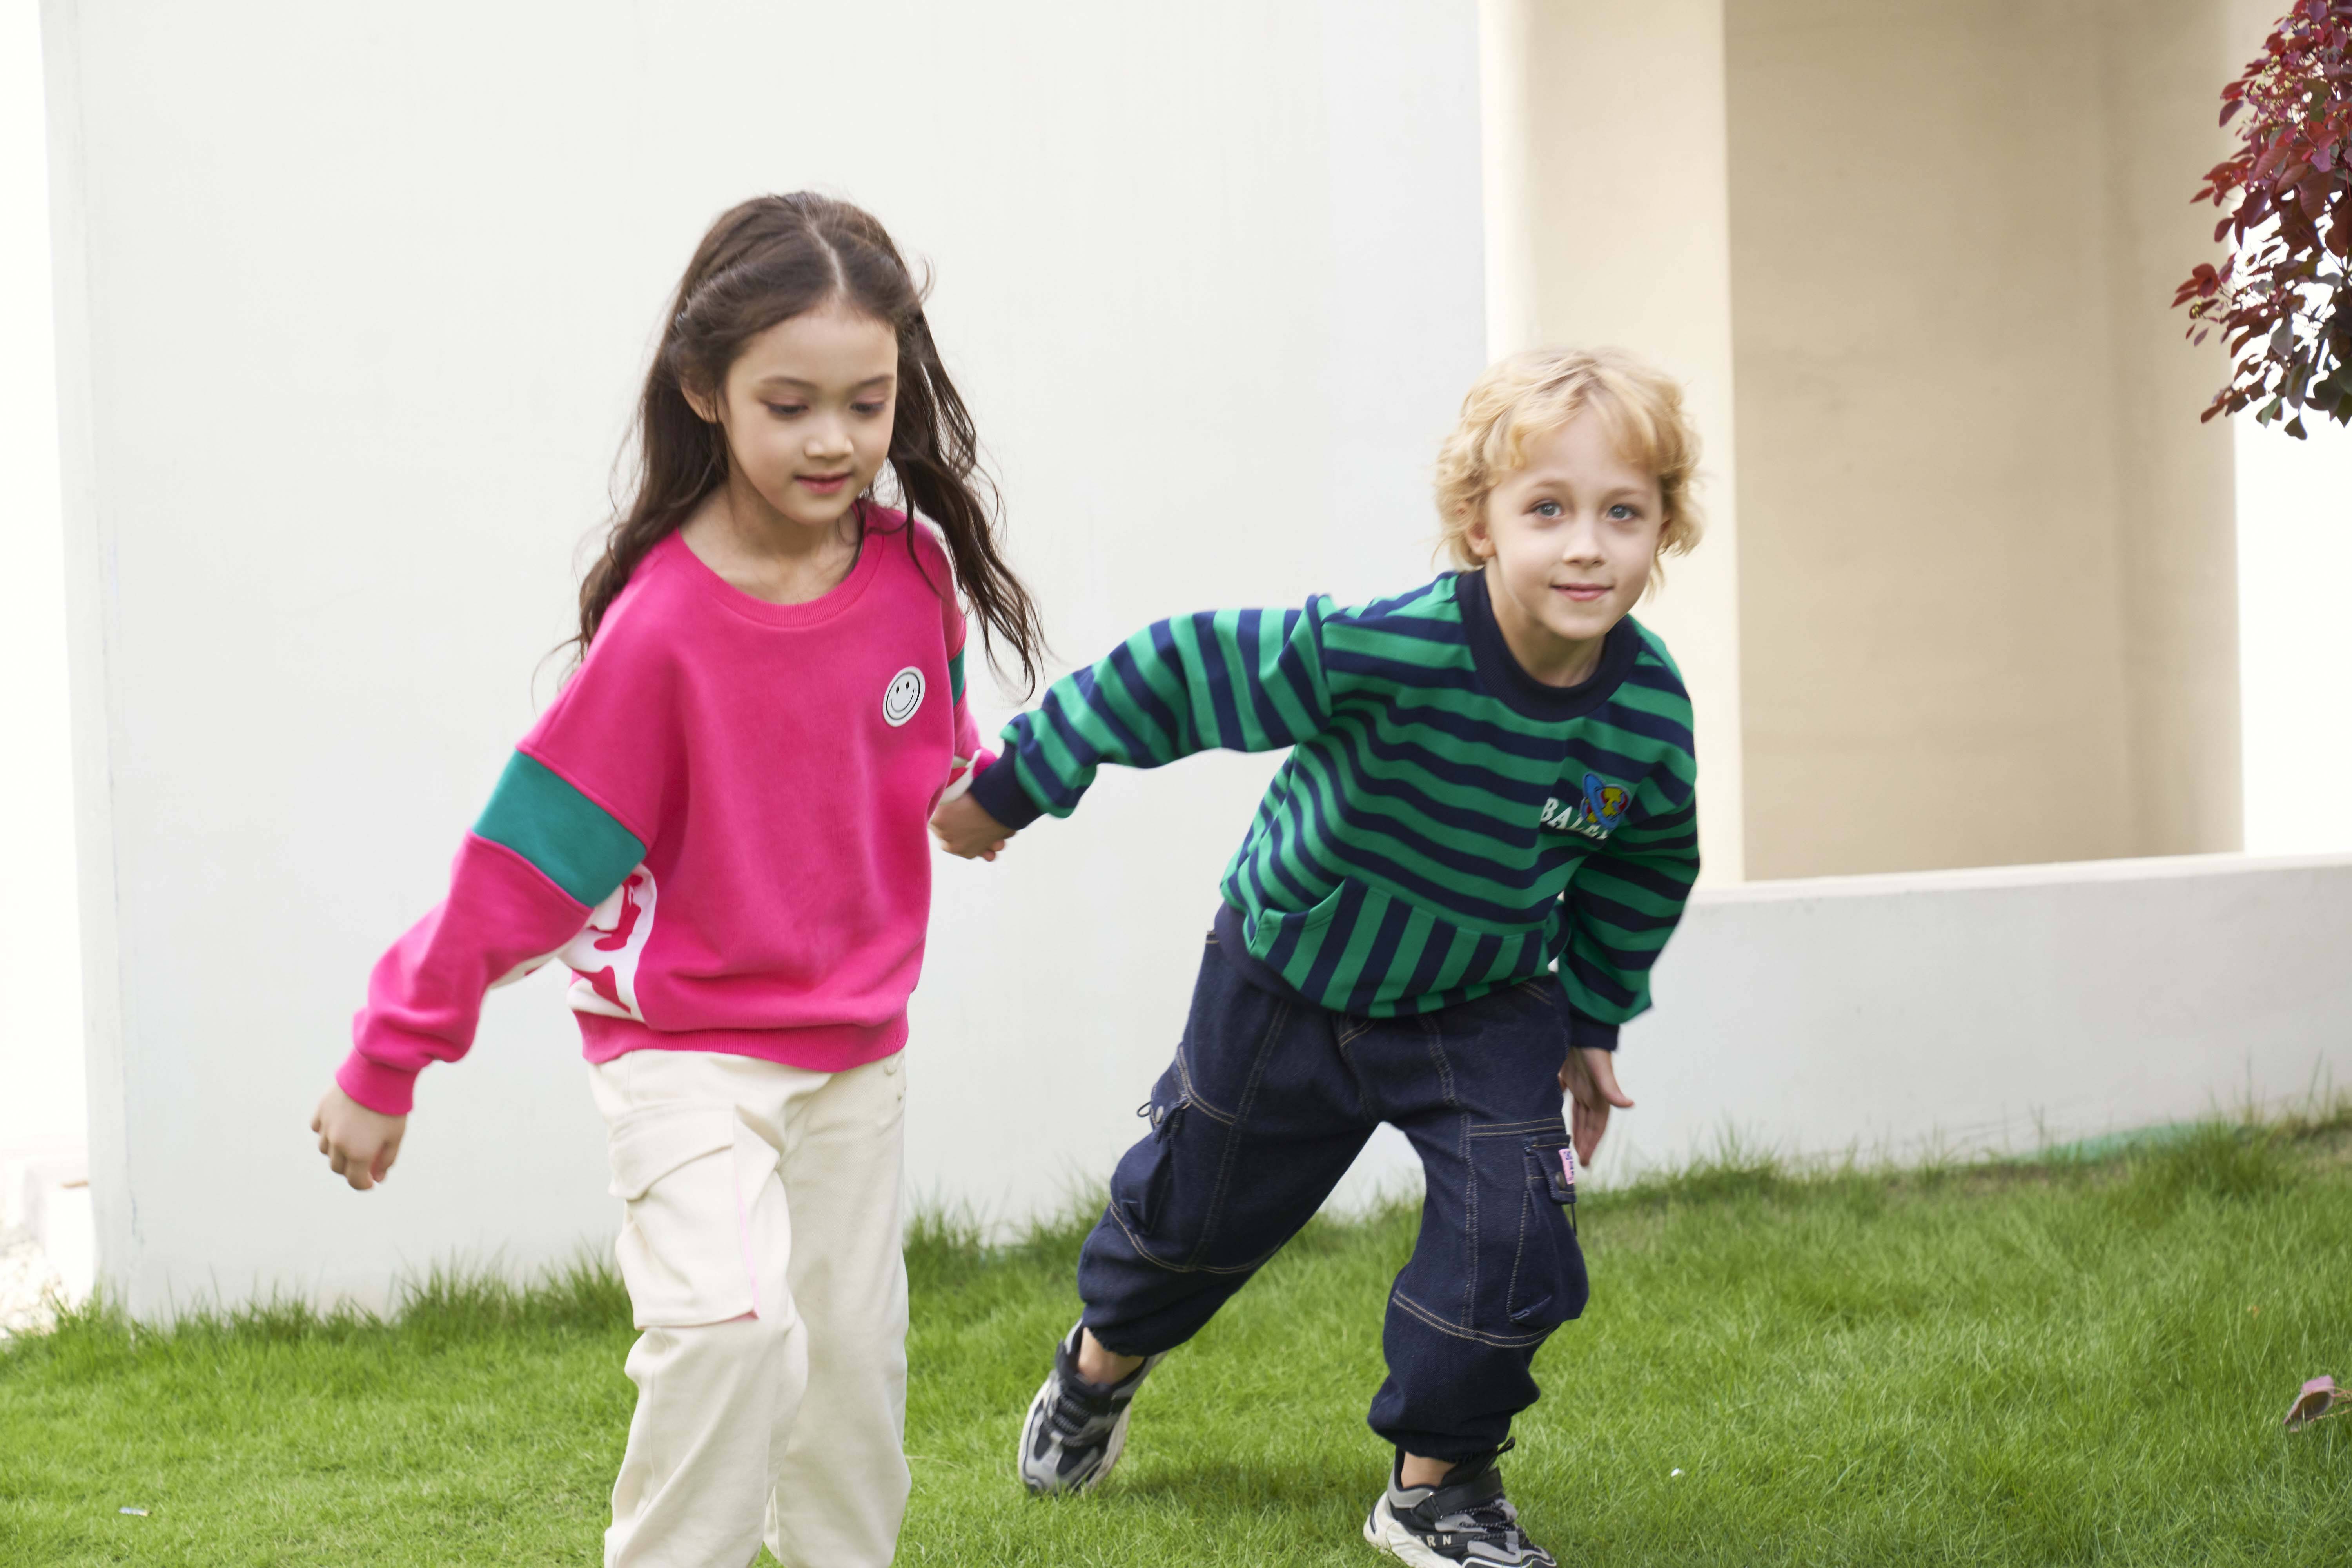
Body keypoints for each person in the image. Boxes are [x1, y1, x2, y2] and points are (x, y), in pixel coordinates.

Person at [310, 192, 1039, 1568]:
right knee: (728, 1331)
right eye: (791, 404)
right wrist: (387, 1057)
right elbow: (523, 869)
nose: (836, 439)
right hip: (685, 1050)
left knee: (847, 1385)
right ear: (707, 391)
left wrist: (980, 795)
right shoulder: (660, 633)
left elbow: (928, 744)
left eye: (867, 402)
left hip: (855, 1058)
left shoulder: (910, 571)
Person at [933, 346, 1705, 1568]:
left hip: (1482, 998)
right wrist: (1019, 783)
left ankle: (1437, 1490)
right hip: (1291, 981)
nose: (1586, 546)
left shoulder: (1648, 712)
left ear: (1665, 527)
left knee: (1516, 1234)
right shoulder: (1389, 651)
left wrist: (1594, 1021)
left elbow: (1642, 864)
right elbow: (1180, 671)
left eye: (1624, 513)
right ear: (1480, 524)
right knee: (1191, 1222)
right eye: (1547, 509)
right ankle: (1099, 1366)